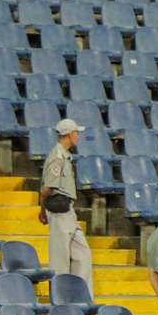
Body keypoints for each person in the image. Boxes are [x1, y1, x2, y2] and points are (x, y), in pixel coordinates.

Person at [41, 118, 93, 295]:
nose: (78, 136)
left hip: (68, 211)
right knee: (60, 259)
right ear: (69, 134)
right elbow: (47, 188)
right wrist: (42, 209)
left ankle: (80, 295)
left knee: (83, 254)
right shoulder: (57, 157)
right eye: (76, 133)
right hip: (59, 210)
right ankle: (60, 297)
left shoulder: (65, 155)